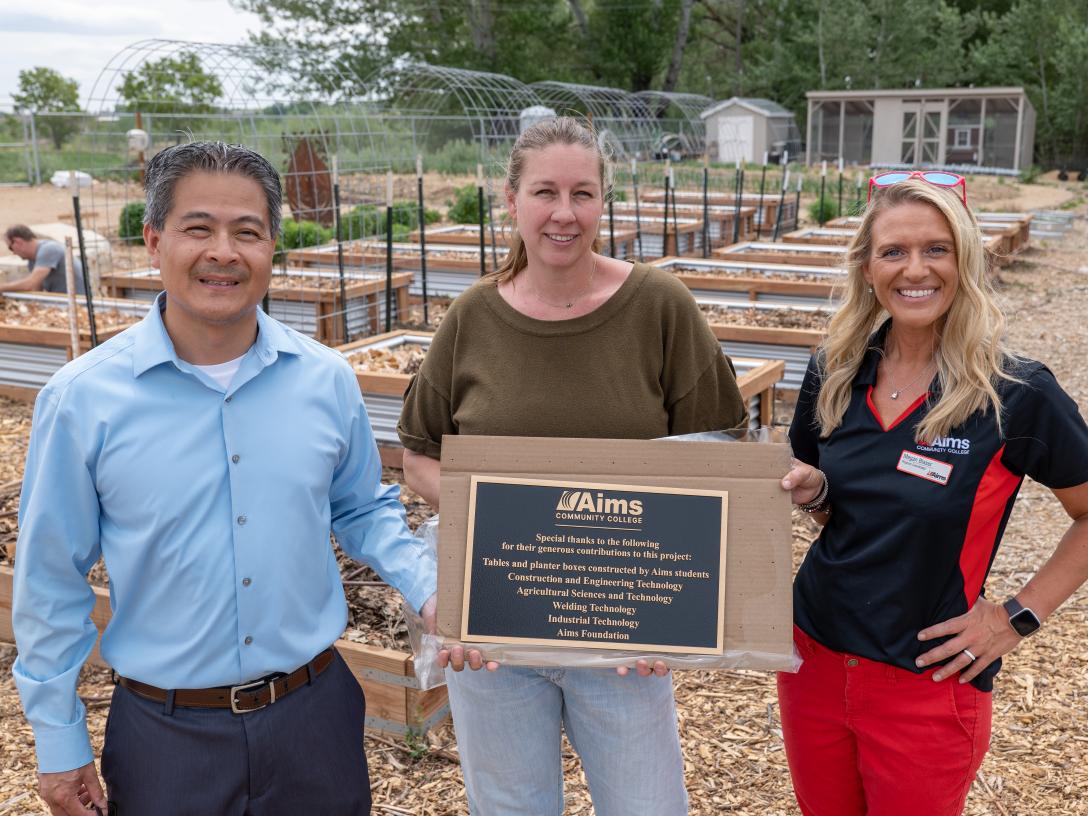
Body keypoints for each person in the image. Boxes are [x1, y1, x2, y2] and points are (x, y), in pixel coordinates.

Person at [12, 141, 441, 816]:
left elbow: (361, 509)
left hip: (314, 720)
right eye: (198, 228)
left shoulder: (326, 381)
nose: (223, 252)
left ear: (273, 247)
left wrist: (432, 588)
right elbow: (49, 577)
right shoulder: (82, 400)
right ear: (155, 241)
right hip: (165, 738)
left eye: (247, 232)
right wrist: (58, 738)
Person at [397, 116, 748, 816]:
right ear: (511, 201)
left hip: (624, 621)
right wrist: (517, 522)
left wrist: (679, 608)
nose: (564, 213)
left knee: (646, 806)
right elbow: (418, 457)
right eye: (545, 192)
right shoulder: (472, 318)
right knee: (510, 807)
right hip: (497, 621)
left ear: (603, 201)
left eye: (582, 193)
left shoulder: (659, 307)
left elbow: (718, 458)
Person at [778, 171, 1088, 816]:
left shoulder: (1014, 392)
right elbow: (836, 510)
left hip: (928, 683)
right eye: (893, 250)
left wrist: (1017, 616)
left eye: (936, 249)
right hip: (810, 661)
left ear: (965, 259)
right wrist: (816, 495)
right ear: (867, 267)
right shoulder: (833, 371)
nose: (915, 269)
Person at [2, 224, 85, 294]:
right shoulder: (32, 261)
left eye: (11, 248)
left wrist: (2, 287)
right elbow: (36, 289)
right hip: (63, 301)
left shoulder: (48, 249)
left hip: (78, 302)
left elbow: (30, 284)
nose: (13, 253)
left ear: (18, 242)